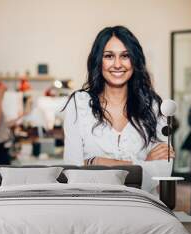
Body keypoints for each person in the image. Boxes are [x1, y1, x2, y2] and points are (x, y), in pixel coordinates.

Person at [63, 26, 174, 192]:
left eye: (125, 56)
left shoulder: (153, 106)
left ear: (134, 60)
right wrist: (143, 165)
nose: (117, 64)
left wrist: (96, 163)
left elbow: (163, 169)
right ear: (98, 60)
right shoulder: (79, 104)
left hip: (141, 207)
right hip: (92, 206)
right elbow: (72, 171)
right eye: (109, 56)